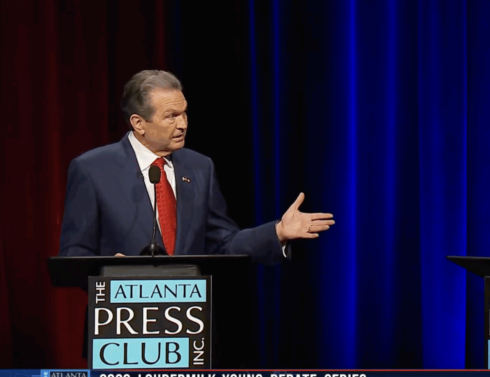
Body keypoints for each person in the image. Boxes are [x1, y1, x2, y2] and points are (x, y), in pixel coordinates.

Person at [59, 69, 335, 262]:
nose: (183, 124)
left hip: (188, 323)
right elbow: (73, 254)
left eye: (184, 113)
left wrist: (276, 233)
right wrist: (109, 270)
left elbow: (223, 243)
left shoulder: (200, 167)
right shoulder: (92, 170)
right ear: (138, 123)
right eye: (171, 116)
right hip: (120, 327)